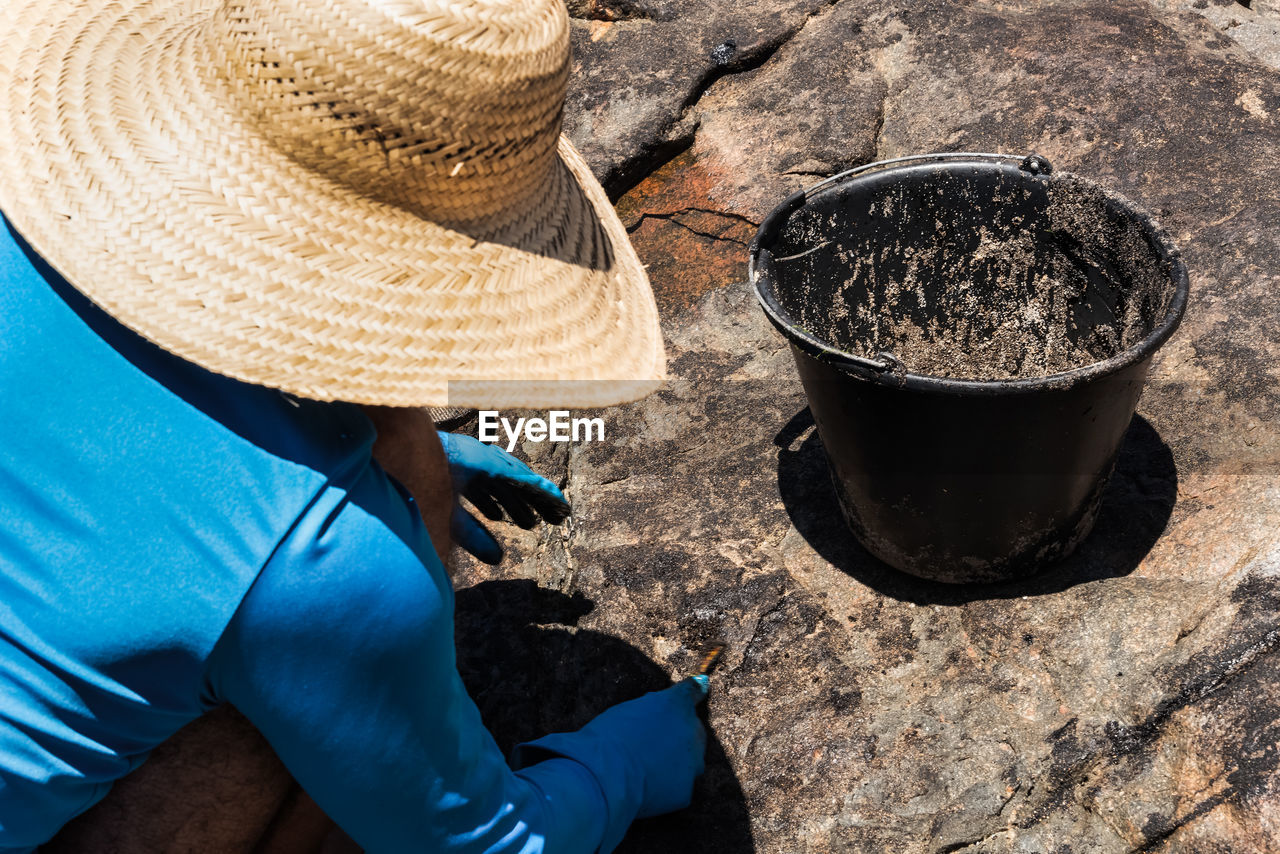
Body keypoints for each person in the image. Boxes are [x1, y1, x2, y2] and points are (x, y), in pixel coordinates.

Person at [0, 0, 708, 851]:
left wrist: (365, 458)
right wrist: (617, 771)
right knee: (306, 720)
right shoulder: (315, 571)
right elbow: (489, 844)